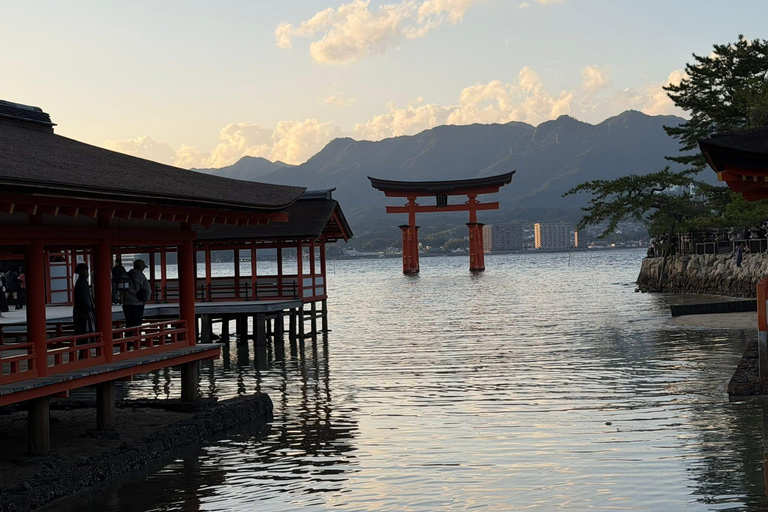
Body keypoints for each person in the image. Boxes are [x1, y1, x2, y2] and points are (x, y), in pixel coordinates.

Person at [122, 259, 151, 329]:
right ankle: (137, 339)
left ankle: (128, 338)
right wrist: (144, 301)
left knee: (129, 324)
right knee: (137, 325)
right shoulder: (141, 276)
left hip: (126, 303)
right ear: (140, 267)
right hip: (138, 304)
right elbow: (148, 290)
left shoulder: (125, 275)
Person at [73, 263, 95, 335]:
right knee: (84, 328)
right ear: (82, 271)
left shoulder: (81, 282)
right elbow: (85, 297)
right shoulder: (82, 282)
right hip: (83, 310)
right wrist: (90, 308)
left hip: (81, 309)